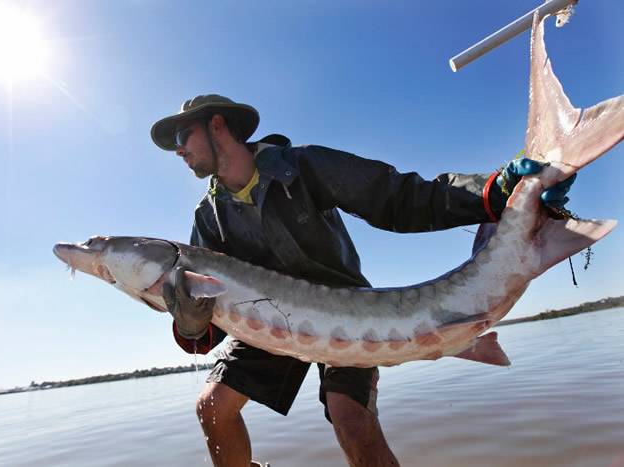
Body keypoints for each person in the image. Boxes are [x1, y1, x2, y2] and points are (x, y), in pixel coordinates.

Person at [150, 94, 574, 467]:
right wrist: (188, 323)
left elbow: (398, 198)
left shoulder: (302, 166)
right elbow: (206, 323)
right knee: (212, 408)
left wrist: (493, 191)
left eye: (182, 136)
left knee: (350, 418)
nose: (177, 150)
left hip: (345, 312)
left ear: (217, 124)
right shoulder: (208, 218)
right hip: (271, 323)